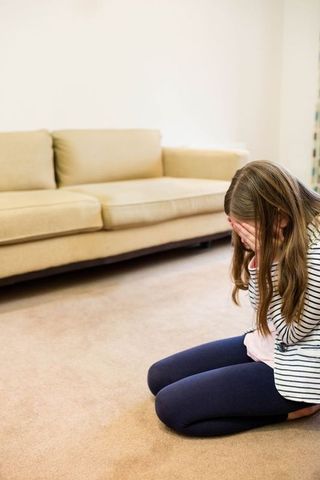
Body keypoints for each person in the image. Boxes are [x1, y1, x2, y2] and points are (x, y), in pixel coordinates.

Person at [147, 160, 320, 437]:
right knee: (158, 377)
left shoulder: (316, 254)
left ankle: (293, 409)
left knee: (172, 407)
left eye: (246, 230)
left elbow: (290, 334)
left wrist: (268, 260)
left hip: (297, 366)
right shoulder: (285, 231)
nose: (242, 239)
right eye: (237, 229)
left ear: (280, 217)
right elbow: (262, 314)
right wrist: (259, 262)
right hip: (266, 342)